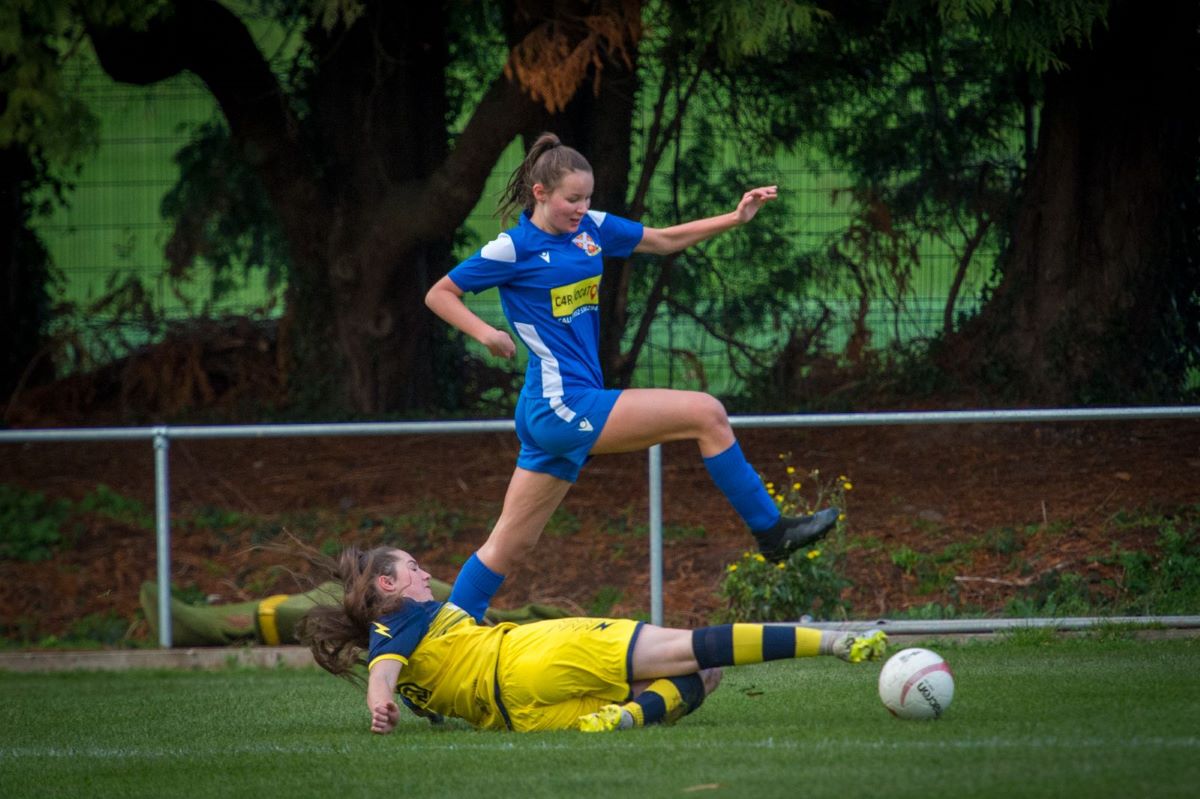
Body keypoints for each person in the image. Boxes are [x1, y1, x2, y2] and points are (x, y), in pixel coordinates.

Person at [425, 132, 840, 622]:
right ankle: (772, 532)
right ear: (540, 193)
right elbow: (440, 293)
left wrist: (735, 217)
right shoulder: (512, 248)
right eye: (571, 199)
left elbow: (663, 241)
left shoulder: (591, 229)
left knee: (507, 548)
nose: (582, 208)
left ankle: (443, 637)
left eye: (587, 198)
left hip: (561, 409)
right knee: (706, 413)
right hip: (560, 407)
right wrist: (485, 333)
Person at [297, 544, 888, 734]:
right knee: (692, 649)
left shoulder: (430, 627)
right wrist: (378, 699)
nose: (426, 573)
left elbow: (404, 676)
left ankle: (628, 716)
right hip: (533, 654)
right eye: (414, 567)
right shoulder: (397, 621)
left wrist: (393, 700)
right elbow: (384, 667)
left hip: (521, 717)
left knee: (700, 678)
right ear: (389, 584)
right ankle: (835, 641)